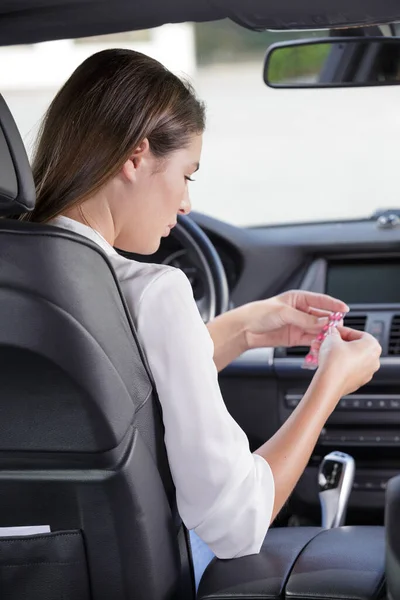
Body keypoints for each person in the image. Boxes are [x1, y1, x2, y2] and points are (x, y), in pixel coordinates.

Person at [20, 48, 381, 585]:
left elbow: (100, 392)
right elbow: (235, 522)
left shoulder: (25, 280)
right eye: (189, 174)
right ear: (136, 156)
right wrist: (331, 384)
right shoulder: (154, 291)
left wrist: (240, 329)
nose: (187, 203)